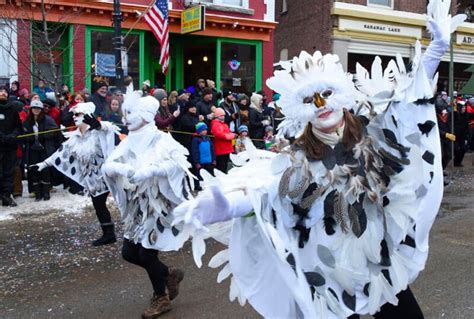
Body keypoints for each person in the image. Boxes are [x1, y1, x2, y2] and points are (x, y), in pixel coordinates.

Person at [173, 2, 464, 317]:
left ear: (340, 93)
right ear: (301, 109)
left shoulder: (372, 131)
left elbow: (405, 108)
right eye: (310, 99)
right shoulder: (299, 158)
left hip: (379, 254)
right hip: (331, 266)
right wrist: (229, 207)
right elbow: (270, 192)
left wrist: (435, 51)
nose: (321, 104)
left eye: (326, 93)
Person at [102, 92, 191, 318]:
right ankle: (169, 273)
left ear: (146, 116)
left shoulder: (160, 139)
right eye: (126, 112)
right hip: (137, 207)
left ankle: (161, 298)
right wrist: (118, 169)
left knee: (147, 254)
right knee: (129, 253)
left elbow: (178, 163)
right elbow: (110, 163)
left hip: (157, 206)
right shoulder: (130, 139)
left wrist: (152, 170)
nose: (127, 117)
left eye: (132, 113)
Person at [31, 102, 119, 246]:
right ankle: (109, 234)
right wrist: (43, 164)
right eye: (73, 114)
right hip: (91, 179)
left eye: (78, 114)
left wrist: (98, 125)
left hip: (106, 176)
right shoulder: (76, 137)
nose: (74, 117)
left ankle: (114, 233)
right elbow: (61, 153)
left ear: (86, 115)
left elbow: (109, 129)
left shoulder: (97, 131)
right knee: (99, 205)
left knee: (107, 203)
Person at [23, 100, 58, 201]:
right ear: (31, 109)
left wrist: (45, 135)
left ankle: (46, 191)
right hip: (33, 150)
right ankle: (37, 192)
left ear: (41, 109)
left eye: (38, 108)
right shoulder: (27, 120)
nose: (36, 110)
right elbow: (24, 132)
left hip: (44, 149)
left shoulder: (47, 119)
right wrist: (29, 138)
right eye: (34, 108)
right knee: (34, 170)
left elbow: (55, 131)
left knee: (45, 169)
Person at [0, 86, 22, 207]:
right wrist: (2, 136)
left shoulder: (12, 109)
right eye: (0, 91)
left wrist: (13, 135)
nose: (3, 93)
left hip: (10, 145)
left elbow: (18, 126)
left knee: (9, 171)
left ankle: (6, 195)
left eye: (5, 92)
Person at [191, 122, 216, 191]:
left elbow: (212, 149)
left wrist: (214, 159)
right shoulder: (195, 140)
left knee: (209, 174)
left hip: (209, 161)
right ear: (199, 131)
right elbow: (195, 151)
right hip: (200, 162)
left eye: (205, 130)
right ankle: (199, 187)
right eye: (203, 130)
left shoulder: (208, 139)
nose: (205, 131)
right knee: (199, 175)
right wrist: (196, 162)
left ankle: (210, 187)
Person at [210, 108, 235, 174]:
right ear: (217, 116)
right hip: (221, 149)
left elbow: (228, 132)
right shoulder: (215, 124)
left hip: (226, 148)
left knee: (225, 166)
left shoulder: (224, 124)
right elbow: (218, 133)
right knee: (221, 167)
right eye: (221, 115)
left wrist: (232, 135)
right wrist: (228, 136)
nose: (223, 117)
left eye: (223, 115)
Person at [453, 101, 469, 166]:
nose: (464, 108)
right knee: (456, 149)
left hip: (463, 136)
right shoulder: (455, 114)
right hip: (455, 136)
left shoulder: (466, 115)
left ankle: (458, 162)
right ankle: (455, 161)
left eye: (465, 107)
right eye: (463, 107)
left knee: (463, 149)